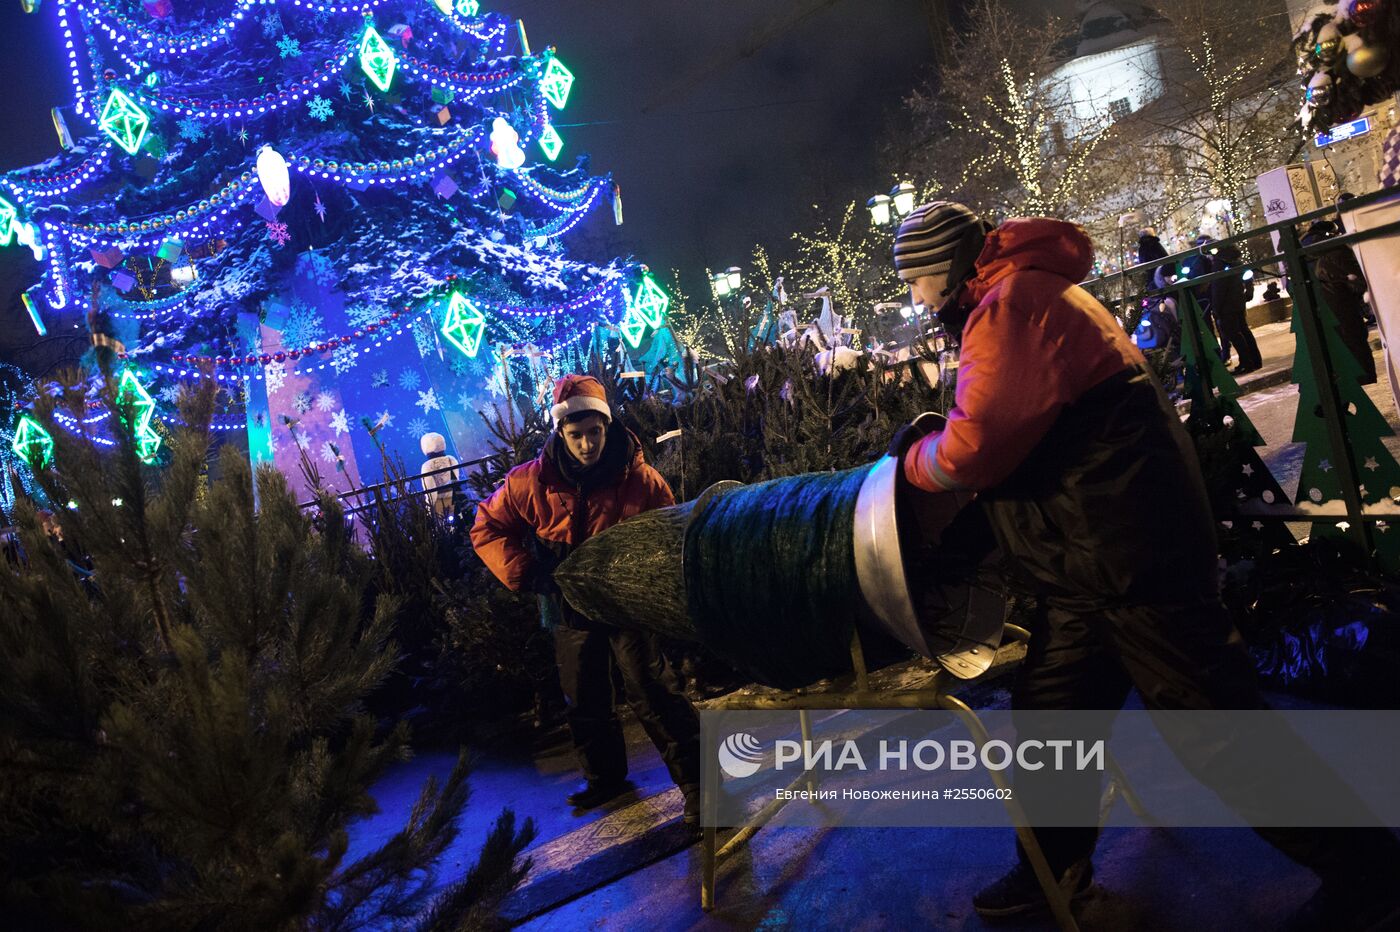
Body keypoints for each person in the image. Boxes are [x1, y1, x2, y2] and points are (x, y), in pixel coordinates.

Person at [886, 201, 1400, 927]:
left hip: (1130, 562)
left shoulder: (1012, 304)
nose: (913, 298)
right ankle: (1049, 869)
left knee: (1219, 733)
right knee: (1053, 722)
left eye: (915, 281)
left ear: (944, 269)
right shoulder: (1017, 293)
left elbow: (977, 449)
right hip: (1085, 567)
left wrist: (908, 467)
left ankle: (1368, 873)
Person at [470, 374, 702, 825]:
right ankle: (605, 779)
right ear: (560, 433)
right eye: (575, 436)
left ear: (606, 427)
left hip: (624, 600)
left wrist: (650, 579)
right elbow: (487, 528)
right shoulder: (530, 483)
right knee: (584, 694)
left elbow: (672, 531)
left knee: (651, 688)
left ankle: (699, 786)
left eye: (594, 433)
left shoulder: (639, 480)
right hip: (568, 602)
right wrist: (529, 573)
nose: (586, 445)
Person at [1301, 219, 1377, 384]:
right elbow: (1358, 279)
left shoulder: (1311, 254)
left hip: (1330, 304)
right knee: (1354, 339)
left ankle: (1358, 375)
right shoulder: (1337, 252)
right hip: (1343, 303)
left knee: (1347, 341)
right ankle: (1363, 375)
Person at [1209, 243, 1262, 374]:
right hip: (1238, 301)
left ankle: (1246, 363)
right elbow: (1248, 276)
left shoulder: (1219, 263)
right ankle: (1255, 360)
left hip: (1226, 306)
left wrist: (1216, 308)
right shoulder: (1236, 260)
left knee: (1234, 334)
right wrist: (1248, 293)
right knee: (1244, 331)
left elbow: (1219, 288)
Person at [418, 432, 460, 517]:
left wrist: (429, 510)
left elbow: (430, 492)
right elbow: (456, 481)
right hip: (455, 498)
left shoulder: (426, 466)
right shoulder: (451, 459)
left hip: (439, 504)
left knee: (444, 527)